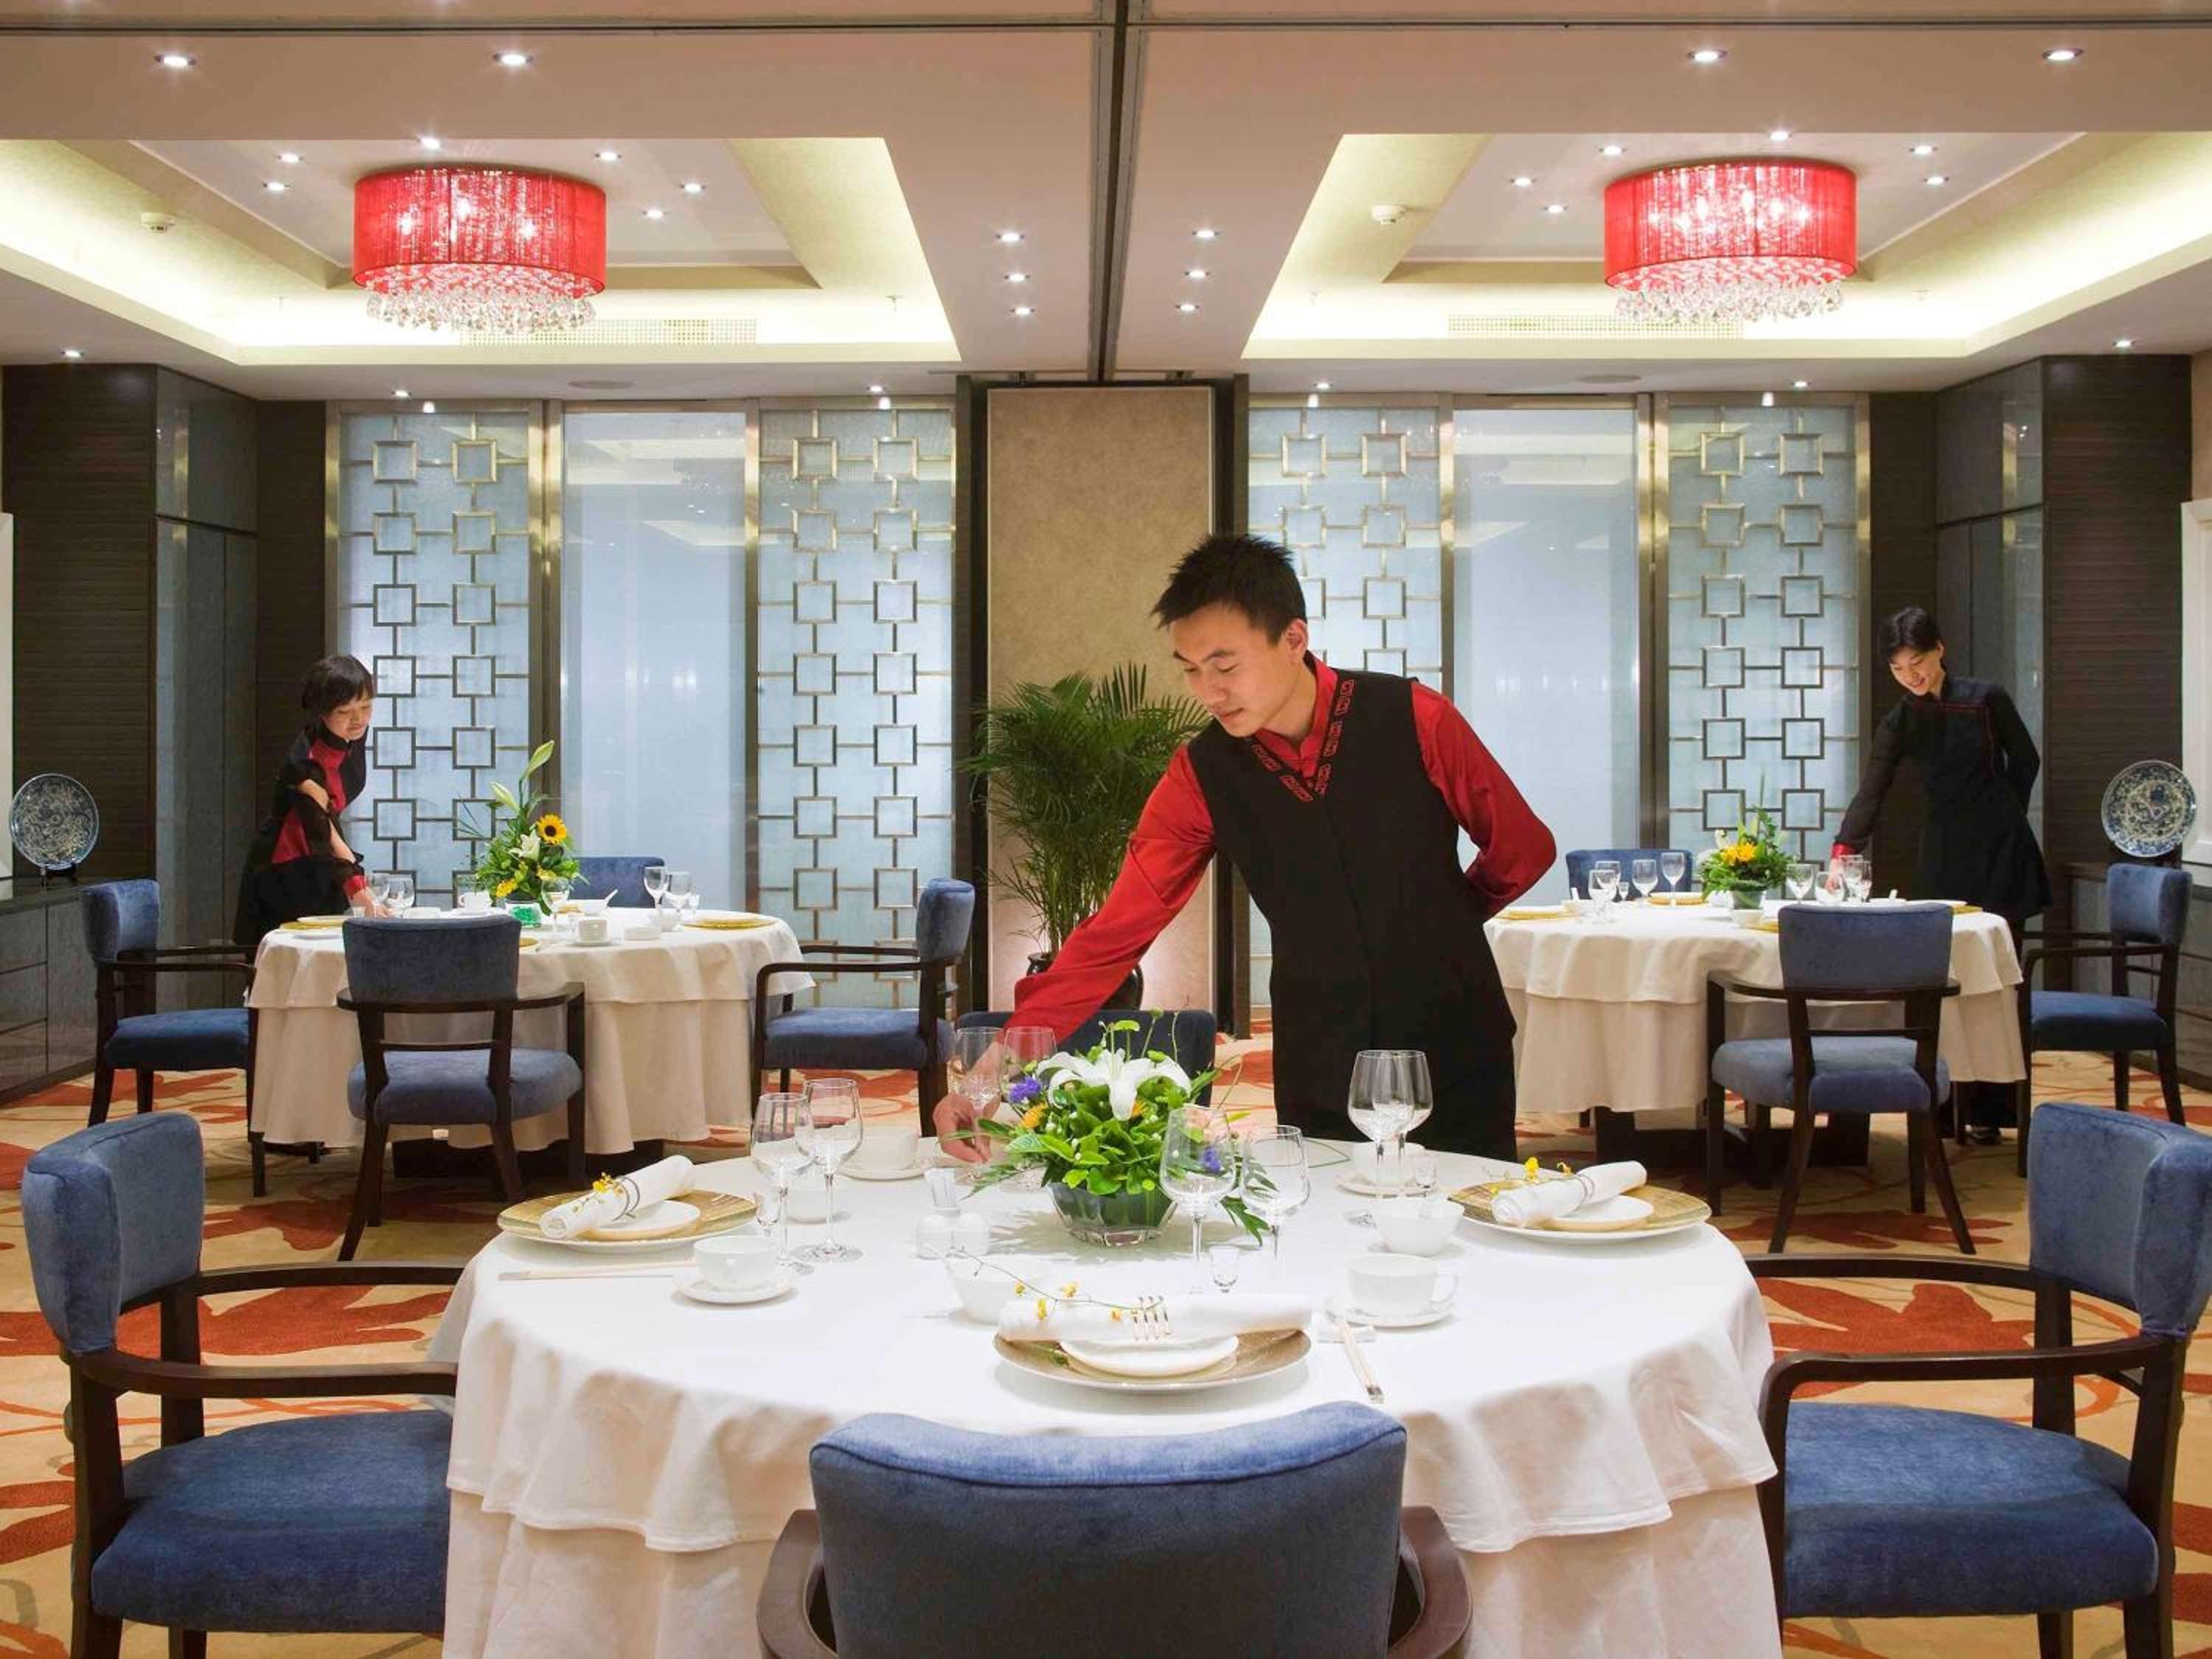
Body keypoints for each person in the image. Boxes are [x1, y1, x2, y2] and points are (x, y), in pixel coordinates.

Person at [936, 534, 1554, 1161]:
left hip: (1452, 1039)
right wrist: (988, 1079)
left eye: (1225, 666)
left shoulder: (1416, 717)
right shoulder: (1202, 773)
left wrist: (1447, 917)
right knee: (1329, 1211)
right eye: (1191, 669)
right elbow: (1117, 930)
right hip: (1322, 1054)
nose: (1209, 691)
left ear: (1293, 639)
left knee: (1472, 1209)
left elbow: (1523, 848)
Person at [1832, 605, 2051, 1144]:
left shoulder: (1985, 698)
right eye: (1899, 669)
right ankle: (1942, 1106)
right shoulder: (1902, 720)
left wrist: (2005, 812)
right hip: (1943, 858)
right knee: (1940, 986)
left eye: (1919, 662)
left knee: (1995, 985)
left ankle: (1993, 1114)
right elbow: (1874, 789)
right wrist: (1843, 850)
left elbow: (2026, 759)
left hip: (2000, 855)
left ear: (1940, 651)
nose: (1912, 676)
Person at [233, 655, 383, 948]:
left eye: (366, 706)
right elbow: (323, 829)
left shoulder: (349, 738)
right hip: (285, 868)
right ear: (321, 712)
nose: (359, 719)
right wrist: (358, 888)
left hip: (317, 859)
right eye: (345, 711)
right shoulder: (306, 763)